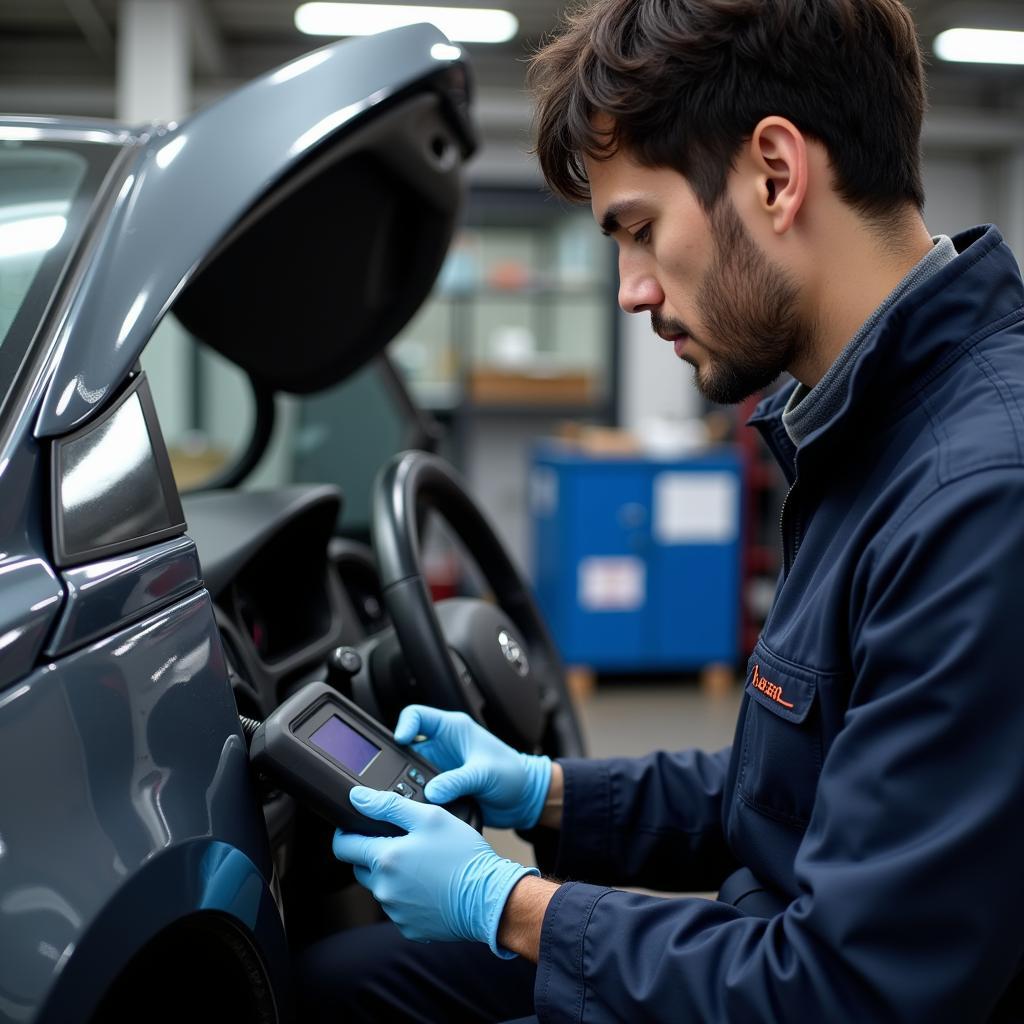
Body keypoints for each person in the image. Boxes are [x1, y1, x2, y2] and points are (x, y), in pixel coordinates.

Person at [296, 0, 1024, 1019]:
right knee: (342, 981)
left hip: (806, 984)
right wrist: (544, 791)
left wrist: (508, 904)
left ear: (775, 174)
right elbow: (789, 788)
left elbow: (850, 988)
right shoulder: (863, 429)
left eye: (639, 229)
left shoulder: (980, 499)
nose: (632, 290)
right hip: (769, 946)